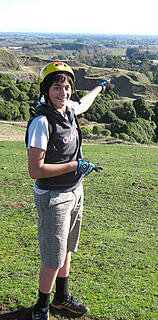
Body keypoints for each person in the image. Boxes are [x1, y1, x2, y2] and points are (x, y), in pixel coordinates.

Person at [26, 61, 109, 320]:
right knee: (53, 256)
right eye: (57, 88)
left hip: (74, 191)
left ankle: (61, 298)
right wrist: (76, 165)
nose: (63, 93)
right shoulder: (42, 122)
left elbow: (84, 103)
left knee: (67, 249)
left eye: (67, 87)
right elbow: (35, 170)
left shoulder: (69, 110)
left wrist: (99, 87)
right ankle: (41, 308)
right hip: (54, 197)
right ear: (46, 90)